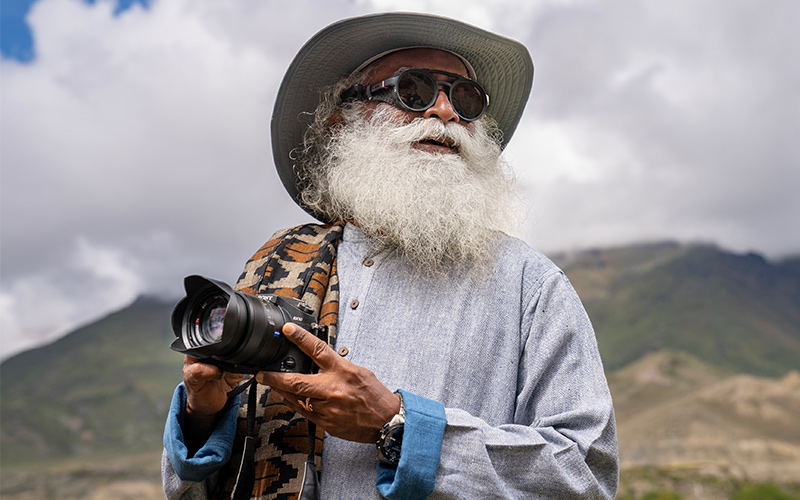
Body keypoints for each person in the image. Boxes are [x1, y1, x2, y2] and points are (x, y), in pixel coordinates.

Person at [162, 12, 618, 500]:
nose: (444, 112)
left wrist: (398, 426)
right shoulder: (277, 267)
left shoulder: (530, 284)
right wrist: (202, 414)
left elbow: (586, 473)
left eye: (465, 99)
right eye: (414, 91)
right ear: (347, 117)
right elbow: (185, 490)